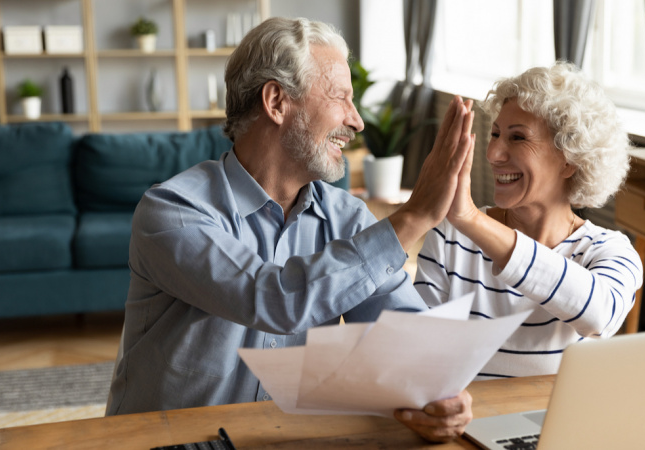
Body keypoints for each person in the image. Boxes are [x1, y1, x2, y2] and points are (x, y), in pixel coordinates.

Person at [106, 17, 475, 442]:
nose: (356, 122)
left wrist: (438, 390)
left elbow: (401, 331)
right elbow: (273, 299)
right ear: (276, 101)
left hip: (278, 439)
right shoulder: (172, 211)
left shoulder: (346, 218)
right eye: (341, 97)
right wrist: (412, 218)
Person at [415, 62, 643, 379]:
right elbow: (418, 352)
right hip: (466, 421)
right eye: (494, 134)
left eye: (518, 138)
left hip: (559, 425)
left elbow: (599, 315)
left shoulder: (609, 251)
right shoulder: (452, 235)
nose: (493, 153)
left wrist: (471, 220)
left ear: (570, 160)